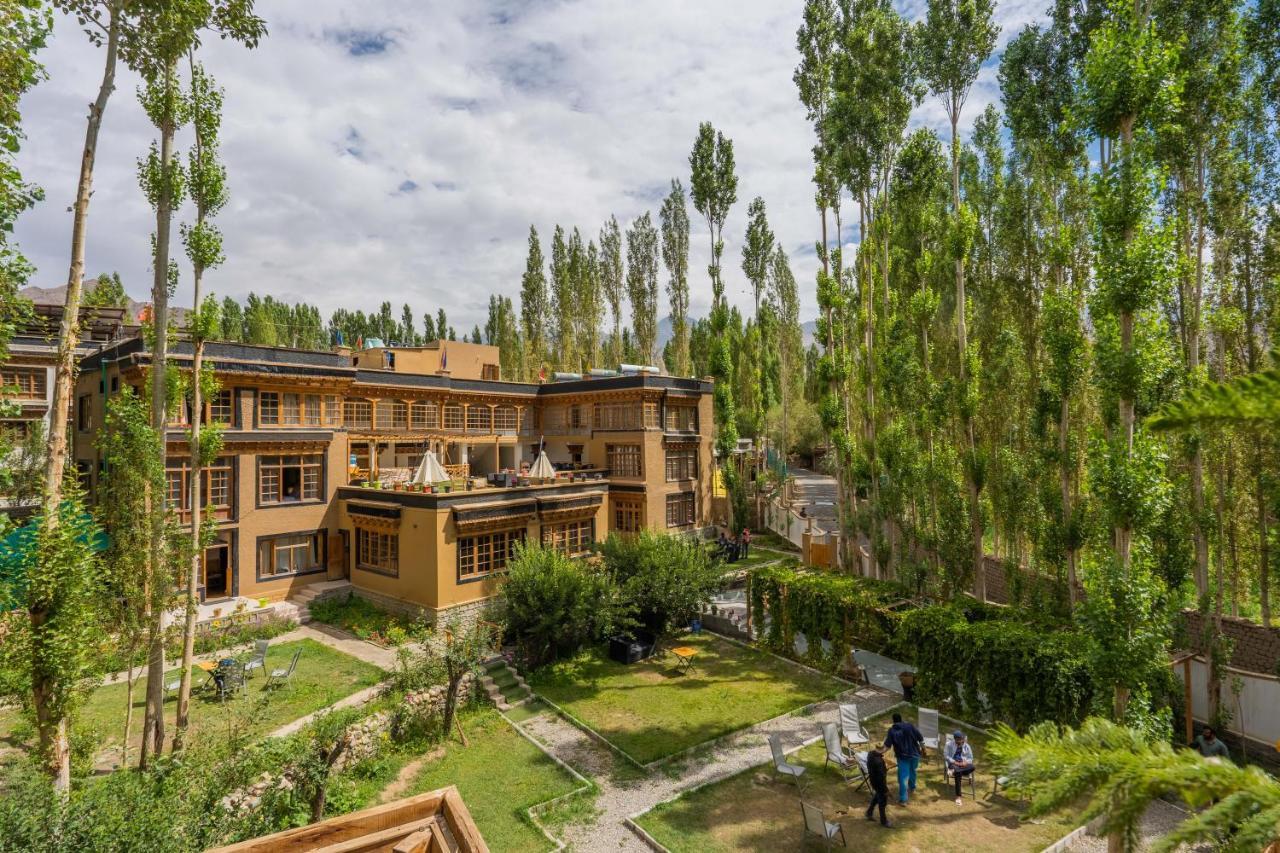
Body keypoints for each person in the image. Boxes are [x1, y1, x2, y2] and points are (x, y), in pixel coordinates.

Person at [883, 712, 925, 804]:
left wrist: (880, 752)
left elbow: (887, 746)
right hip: (915, 755)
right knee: (912, 771)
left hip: (903, 757)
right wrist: (923, 749)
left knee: (903, 777)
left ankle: (903, 799)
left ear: (893, 721)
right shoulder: (910, 726)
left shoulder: (892, 730)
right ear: (901, 719)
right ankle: (912, 787)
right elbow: (920, 738)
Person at [944, 731, 975, 805]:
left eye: (962, 739)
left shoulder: (967, 746)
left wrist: (966, 762)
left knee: (972, 767)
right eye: (960, 739)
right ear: (955, 739)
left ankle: (953, 771)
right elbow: (946, 756)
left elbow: (971, 758)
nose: (962, 741)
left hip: (963, 765)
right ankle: (958, 797)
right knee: (958, 774)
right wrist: (955, 762)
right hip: (954, 763)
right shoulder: (948, 744)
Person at [864, 745, 892, 827]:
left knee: (877, 796)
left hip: (873, 782)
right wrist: (886, 790)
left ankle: (869, 812)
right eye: (885, 749)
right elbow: (881, 777)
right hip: (879, 783)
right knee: (882, 802)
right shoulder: (879, 761)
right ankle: (884, 821)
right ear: (883, 749)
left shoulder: (871, 755)